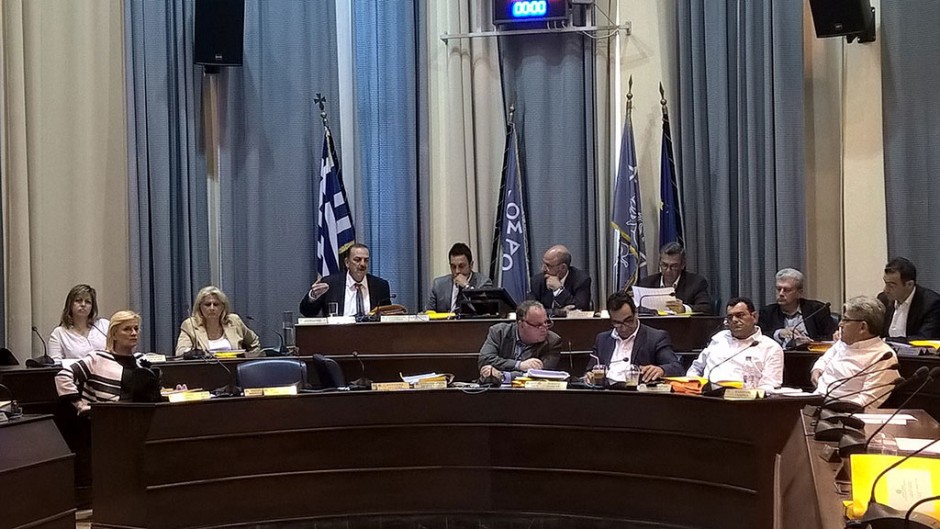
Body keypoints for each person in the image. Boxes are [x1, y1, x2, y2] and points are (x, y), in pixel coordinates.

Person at [811, 296, 899, 408]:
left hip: (842, 413)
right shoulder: (843, 342)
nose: (840, 324)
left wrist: (830, 408)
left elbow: (866, 402)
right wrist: (817, 369)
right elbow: (824, 359)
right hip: (815, 402)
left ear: (863, 327)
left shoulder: (883, 356)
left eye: (846, 320)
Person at [55, 310, 147, 415]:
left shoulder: (141, 361)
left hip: (137, 418)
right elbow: (62, 376)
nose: (134, 333)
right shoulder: (98, 359)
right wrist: (79, 404)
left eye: (136, 329)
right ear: (114, 335)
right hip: (104, 419)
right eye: (127, 329)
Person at [586, 292, 683, 384]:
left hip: (638, 393)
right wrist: (589, 376)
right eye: (617, 323)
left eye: (628, 321)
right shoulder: (602, 339)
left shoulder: (655, 337)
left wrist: (661, 370)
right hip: (606, 392)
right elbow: (590, 371)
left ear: (636, 313)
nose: (624, 328)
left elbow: (677, 368)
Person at [687, 297, 783, 389]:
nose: (734, 320)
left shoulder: (771, 347)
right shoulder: (719, 338)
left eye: (740, 315)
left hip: (743, 397)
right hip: (708, 395)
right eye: (730, 317)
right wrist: (692, 387)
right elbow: (696, 368)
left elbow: (769, 386)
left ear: (754, 317)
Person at [300, 243, 392, 317]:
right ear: (347, 262)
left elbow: (387, 316)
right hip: (337, 333)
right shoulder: (330, 284)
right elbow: (307, 313)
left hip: (372, 334)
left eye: (366, 260)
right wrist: (313, 296)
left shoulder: (380, 286)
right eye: (357, 260)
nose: (362, 264)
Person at [478, 300, 561, 383]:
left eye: (546, 322)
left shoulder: (552, 341)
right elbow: (485, 360)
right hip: (494, 388)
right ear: (521, 324)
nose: (545, 328)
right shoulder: (499, 332)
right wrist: (518, 365)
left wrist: (503, 376)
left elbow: (541, 375)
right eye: (538, 325)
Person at [758, 268, 837, 347]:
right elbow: (759, 337)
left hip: (811, 353)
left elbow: (830, 337)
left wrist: (811, 342)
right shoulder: (767, 312)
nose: (781, 293)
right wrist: (779, 333)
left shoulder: (817, 310)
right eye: (778, 289)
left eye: (787, 290)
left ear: (799, 293)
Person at [175, 286, 260, 357]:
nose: (212, 308)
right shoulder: (190, 325)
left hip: (234, 369)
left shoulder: (234, 321)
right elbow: (180, 352)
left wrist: (248, 361)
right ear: (199, 307)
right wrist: (190, 353)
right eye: (207, 304)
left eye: (216, 304)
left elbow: (253, 342)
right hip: (203, 370)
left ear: (223, 307)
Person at [636, 242, 712, 314]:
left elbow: (706, 308)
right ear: (660, 263)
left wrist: (684, 309)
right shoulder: (647, 283)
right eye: (664, 265)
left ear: (682, 265)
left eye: (674, 266)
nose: (668, 270)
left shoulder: (696, 283)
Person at [877, 257, 940, 340]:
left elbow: (924, 339)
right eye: (886, 283)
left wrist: (886, 341)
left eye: (891, 286)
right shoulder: (883, 299)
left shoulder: (932, 304)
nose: (886, 290)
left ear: (909, 284)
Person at [48, 284, 110, 361]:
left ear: (92, 307)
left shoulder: (104, 325)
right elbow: (55, 364)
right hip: (76, 369)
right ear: (70, 304)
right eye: (78, 300)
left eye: (88, 302)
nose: (83, 304)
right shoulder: (59, 333)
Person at [426, 242, 492, 313]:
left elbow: (485, 309)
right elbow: (429, 313)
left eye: (461, 266)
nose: (457, 271)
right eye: (453, 267)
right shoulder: (439, 285)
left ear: (471, 265)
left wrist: (467, 287)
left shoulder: (483, 283)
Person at [527, 244, 592, 311]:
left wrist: (559, 290)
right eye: (543, 264)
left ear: (563, 267)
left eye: (548, 265)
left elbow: (580, 309)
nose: (543, 269)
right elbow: (530, 310)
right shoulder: (536, 281)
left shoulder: (581, 280)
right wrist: (559, 312)